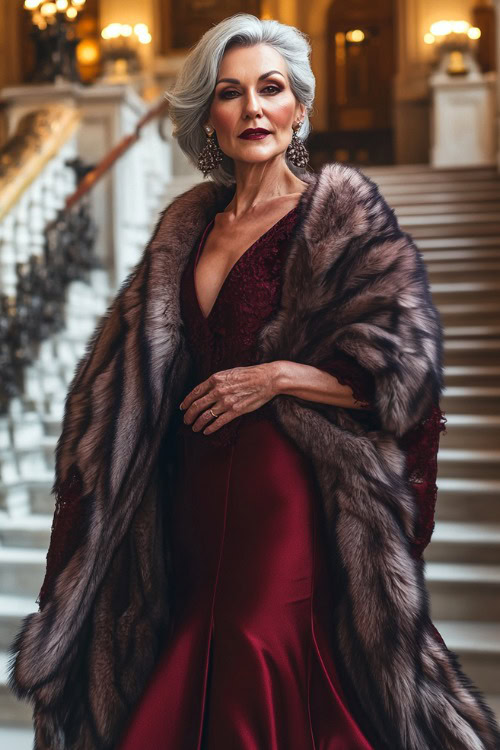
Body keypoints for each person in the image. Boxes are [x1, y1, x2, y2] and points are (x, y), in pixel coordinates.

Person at [9, 13, 500, 750]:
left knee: (251, 648)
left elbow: (403, 376)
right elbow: (128, 376)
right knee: (184, 660)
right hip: (183, 491)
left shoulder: (339, 221)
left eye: (271, 90)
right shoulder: (187, 225)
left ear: (299, 107)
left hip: (281, 490)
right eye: (232, 93)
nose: (253, 109)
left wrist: (275, 376)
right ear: (210, 112)